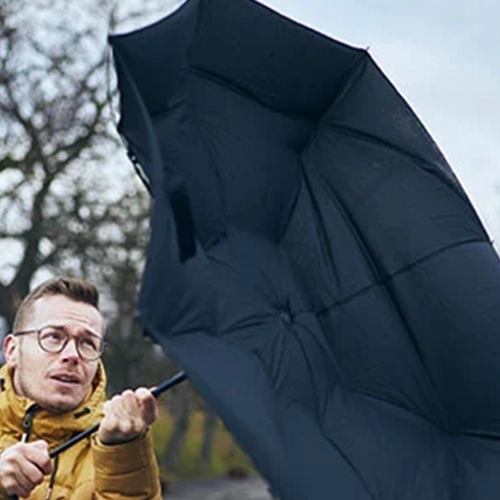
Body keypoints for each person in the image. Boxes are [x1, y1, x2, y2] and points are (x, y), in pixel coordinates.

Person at [0, 277, 162, 499]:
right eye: (54, 337)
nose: (73, 355)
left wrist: (123, 455)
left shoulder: (118, 444)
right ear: (12, 350)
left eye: (87, 343)